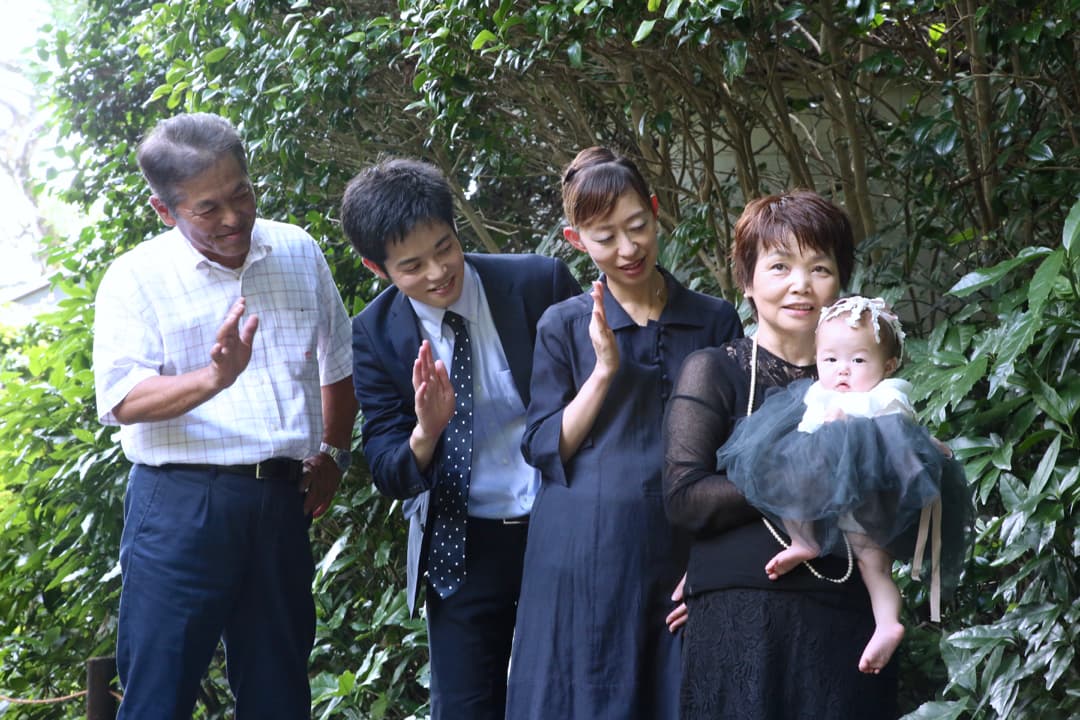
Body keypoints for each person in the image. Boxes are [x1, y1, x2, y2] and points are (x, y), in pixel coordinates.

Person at [93, 112, 357, 719]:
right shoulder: (135, 278)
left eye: (242, 194)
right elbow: (123, 399)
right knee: (159, 693)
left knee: (279, 691)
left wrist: (334, 452)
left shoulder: (296, 249)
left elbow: (338, 360)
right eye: (208, 209)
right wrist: (214, 378)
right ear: (165, 210)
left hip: (281, 501)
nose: (234, 217)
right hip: (181, 504)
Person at [505, 147, 742, 720]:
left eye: (637, 226)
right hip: (583, 555)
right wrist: (604, 371)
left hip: (681, 548)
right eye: (605, 237)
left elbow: (737, 449)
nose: (628, 248)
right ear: (576, 240)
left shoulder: (713, 318)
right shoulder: (563, 324)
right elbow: (545, 444)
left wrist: (716, 565)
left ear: (656, 211)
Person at [342, 158, 580, 720]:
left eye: (445, 248)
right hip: (462, 543)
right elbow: (387, 466)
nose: (437, 272)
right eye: (411, 266)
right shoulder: (374, 335)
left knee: (578, 694)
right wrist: (426, 431)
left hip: (561, 521)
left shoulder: (537, 283)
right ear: (377, 268)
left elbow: (598, 398)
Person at [662, 191, 900, 718]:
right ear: (747, 281)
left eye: (820, 268)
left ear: (840, 282)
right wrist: (794, 473)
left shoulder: (860, 379)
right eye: (779, 266)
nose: (801, 284)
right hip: (737, 616)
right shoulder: (714, 370)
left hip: (844, 614)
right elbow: (684, 498)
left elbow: (895, 499)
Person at [715, 295, 971, 675]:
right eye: (830, 359)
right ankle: (804, 541)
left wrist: (930, 448)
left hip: (870, 506)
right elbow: (802, 443)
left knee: (875, 566)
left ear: (888, 365)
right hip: (823, 495)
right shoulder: (817, 394)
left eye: (858, 361)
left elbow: (905, 439)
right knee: (786, 475)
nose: (842, 371)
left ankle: (888, 624)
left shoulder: (885, 396)